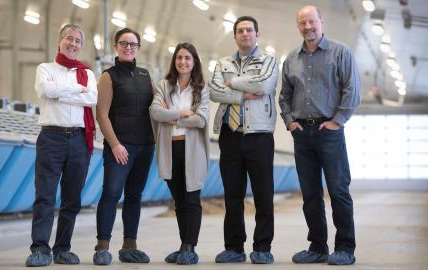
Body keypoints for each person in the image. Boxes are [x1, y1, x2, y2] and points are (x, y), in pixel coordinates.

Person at [279, 5, 361, 265]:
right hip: (302, 133)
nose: (308, 27)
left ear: (321, 22)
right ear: (298, 26)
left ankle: (345, 248)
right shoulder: (291, 58)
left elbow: (352, 90)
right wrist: (290, 122)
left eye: (312, 22)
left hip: (330, 132)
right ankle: (317, 247)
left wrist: (337, 121)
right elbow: (285, 96)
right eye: (303, 23)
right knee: (310, 195)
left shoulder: (340, 52)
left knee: (338, 191)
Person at [25, 24, 97, 267]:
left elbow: (92, 98)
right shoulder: (45, 68)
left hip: (79, 139)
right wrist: (77, 89)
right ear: (60, 41)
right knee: (44, 195)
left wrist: (61, 93)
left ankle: (63, 248)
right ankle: (40, 249)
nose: (73, 44)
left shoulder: (87, 73)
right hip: (51, 137)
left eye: (78, 41)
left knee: (71, 198)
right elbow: (46, 89)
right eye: (69, 39)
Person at [208, 16, 278, 264]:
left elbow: (265, 85)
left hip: (259, 135)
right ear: (234, 36)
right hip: (230, 135)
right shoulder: (223, 62)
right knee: (233, 195)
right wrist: (242, 95)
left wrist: (233, 83)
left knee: (263, 194)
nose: (245, 34)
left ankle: (262, 247)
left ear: (257, 34)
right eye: (240, 31)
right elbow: (214, 91)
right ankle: (234, 248)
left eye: (249, 30)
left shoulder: (269, 60)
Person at [93, 28, 155, 265]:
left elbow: (158, 104)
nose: (128, 48)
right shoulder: (109, 76)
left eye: (133, 44)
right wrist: (115, 144)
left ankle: (130, 246)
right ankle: (103, 246)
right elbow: (101, 114)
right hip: (120, 146)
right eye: (123, 44)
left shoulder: (145, 75)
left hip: (145, 147)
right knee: (111, 194)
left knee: (134, 196)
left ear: (138, 48)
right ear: (116, 47)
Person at [150, 43, 210, 265]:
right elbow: (155, 112)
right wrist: (183, 113)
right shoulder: (164, 86)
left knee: (191, 198)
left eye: (187, 58)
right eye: (179, 57)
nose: (183, 62)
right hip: (170, 148)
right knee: (179, 200)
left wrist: (171, 116)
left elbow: (201, 119)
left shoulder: (202, 89)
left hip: (192, 149)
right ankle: (183, 244)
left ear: (194, 62)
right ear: (174, 61)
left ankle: (190, 247)